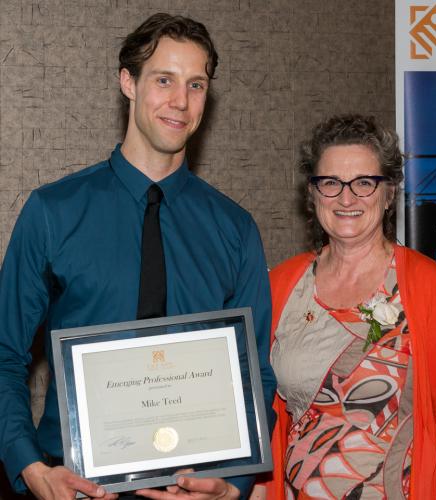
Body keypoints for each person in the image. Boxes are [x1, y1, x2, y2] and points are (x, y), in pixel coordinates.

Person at [0, 13, 276, 500]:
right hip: (73, 487)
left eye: (196, 84)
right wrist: (31, 468)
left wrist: (233, 484)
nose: (180, 102)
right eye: (164, 80)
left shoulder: (235, 229)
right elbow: (4, 355)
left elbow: (256, 369)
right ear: (127, 82)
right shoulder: (52, 212)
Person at [259, 114, 436, 499]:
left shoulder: (430, 287)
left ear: (389, 193)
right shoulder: (281, 286)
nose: (346, 198)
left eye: (364, 183)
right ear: (312, 193)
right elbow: (263, 412)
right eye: (330, 183)